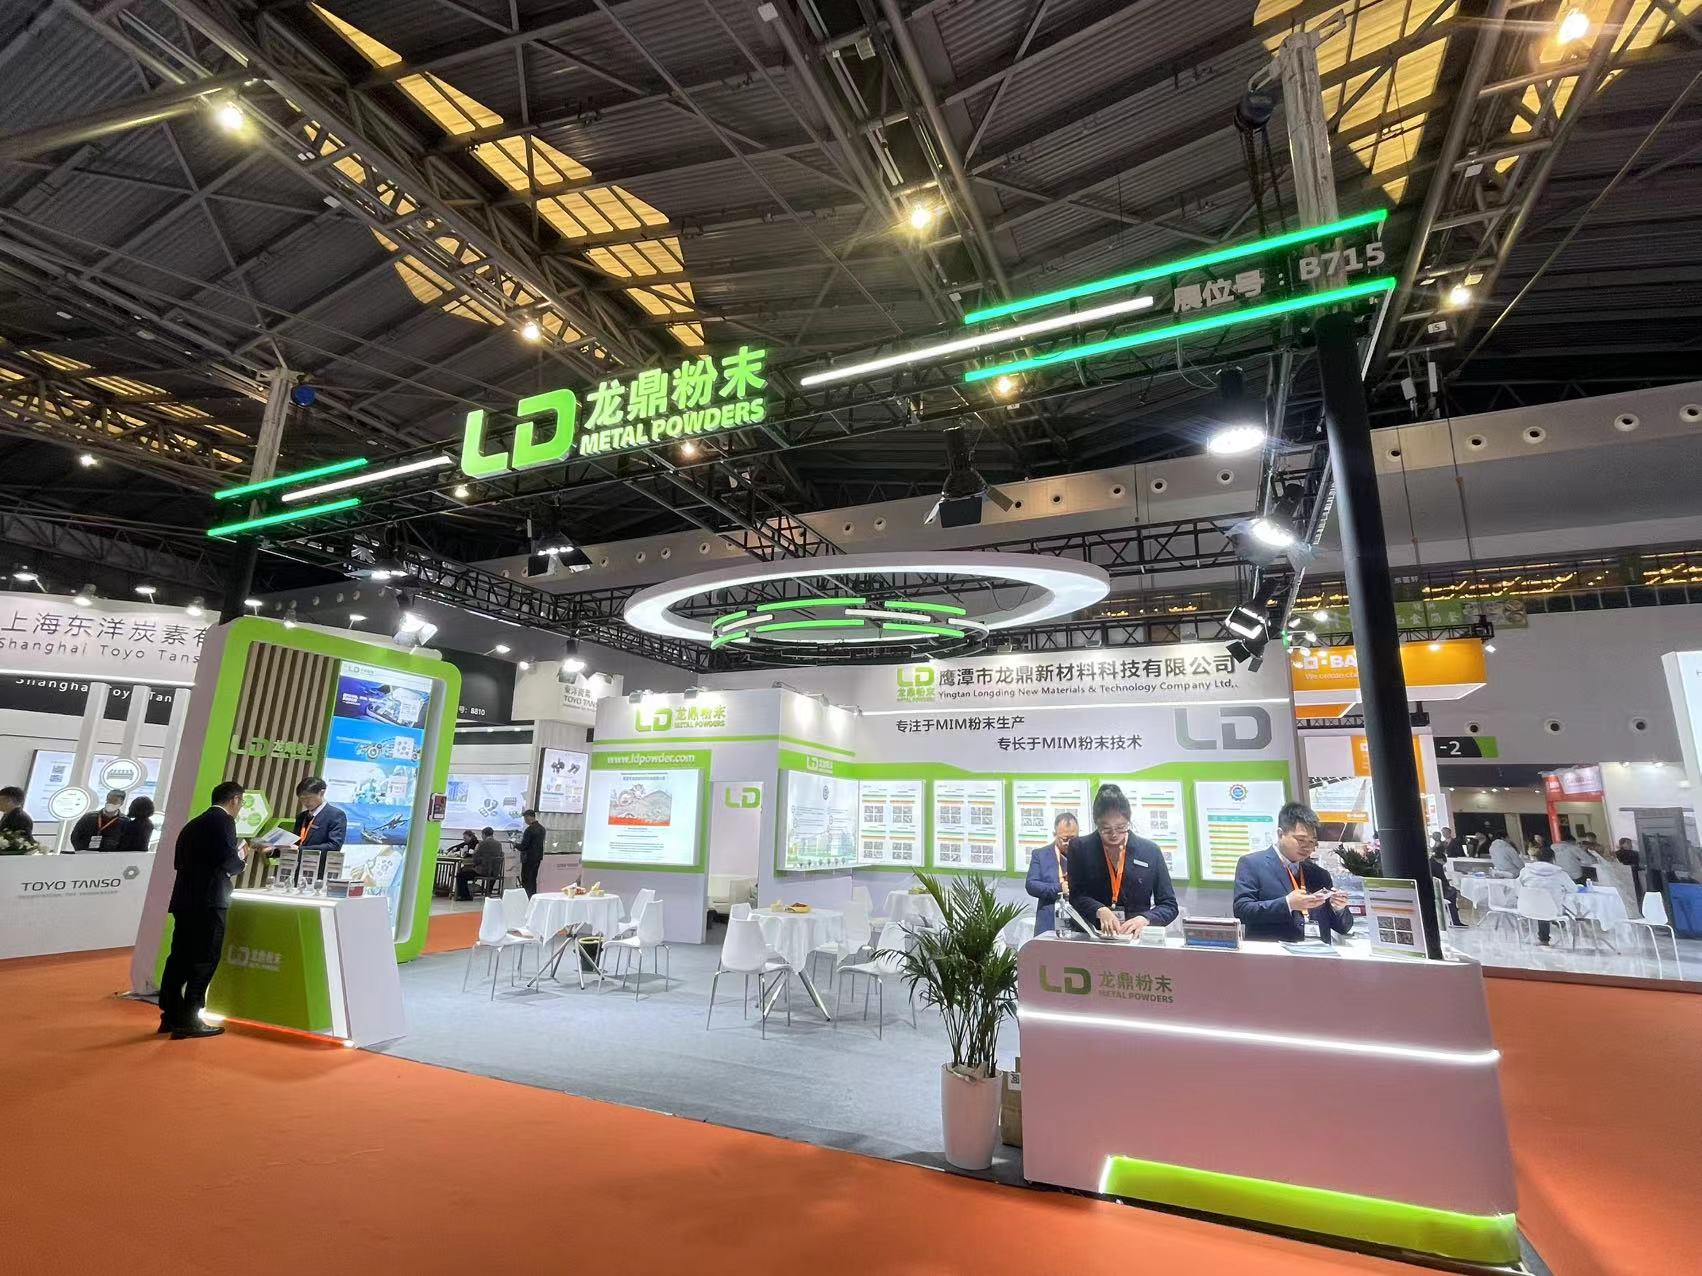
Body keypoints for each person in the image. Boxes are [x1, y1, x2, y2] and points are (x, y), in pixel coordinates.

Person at [158, 781, 248, 1038]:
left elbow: (179, 862)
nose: (240, 807)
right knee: (205, 958)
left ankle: (171, 1014)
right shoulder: (224, 822)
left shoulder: (194, 824)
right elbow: (229, 861)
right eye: (241, 802)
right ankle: (191, 1018)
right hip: (210, 900)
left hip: (185, 899)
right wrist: (242, 860)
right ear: (234, 800)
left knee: (179, 958)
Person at [1233, 801, 1354, 943]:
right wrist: (1287, 904)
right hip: (1274, 953)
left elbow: (1343, 928)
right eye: (1301, 840)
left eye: (1312, 842)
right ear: (1280, 834)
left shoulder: (1320, 874)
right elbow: (1242, 911)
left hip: (1318, 953)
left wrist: (1339, 908)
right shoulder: (1252, 864)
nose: (1307, 847)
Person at [1065, 786, 1176, 938]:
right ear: (1096, 823)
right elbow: (1076, 896)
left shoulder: (1150, 851)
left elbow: (1169, 905)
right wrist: (1099, 910)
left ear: (1128, 820)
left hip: (1134, 939)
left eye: (1121, 827)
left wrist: (1145, 919)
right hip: (1092, 935)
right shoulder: (1080, 848)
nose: (1114, 835)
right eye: (1106, 829)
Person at [1025, 811, 1078, 935]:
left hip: (1078, 921)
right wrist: (1058, 888)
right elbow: (1031, 885)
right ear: (1055, 835)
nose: (1069, 843)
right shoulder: (1040, 855)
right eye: (1064, 839)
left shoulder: (1085, 854)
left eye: (1073, 838)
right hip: (1049, 921)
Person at [292, 777, 347, 880]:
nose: (306, 802)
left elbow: (334, 846)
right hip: (296, 873)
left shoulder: (335, 815)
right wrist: (274, 849)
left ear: (321, 793)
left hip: (320, 874)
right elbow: (295, 843)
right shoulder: (301, 817)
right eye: (302, 799)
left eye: (309, 797)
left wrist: (300, 850)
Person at [1517, 844, 1572, 945]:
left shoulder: (1525, 872)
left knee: (1540, 904)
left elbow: (1517, 888)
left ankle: (1544, 939)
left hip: (1527, 908)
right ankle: (1563, 928)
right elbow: (1573, 889)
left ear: (1536, 858)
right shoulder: (1560, 873)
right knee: (1549, 905)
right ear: (1553, 859)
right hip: (1553, 910)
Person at [456, 826, 504, 900]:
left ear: (484, 834)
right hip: (495, 871)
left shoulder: (482, 844)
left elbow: (476, 858)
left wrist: (475, 857)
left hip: (483, 871)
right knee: (465, 872)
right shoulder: (499, 844)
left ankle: (465, 896)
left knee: (460, 875)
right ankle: (488, 892)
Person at [1429, 845, 1465, 927]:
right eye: (1443, 864)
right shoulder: (1437, 866)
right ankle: (1455, 919)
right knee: (1452, 892)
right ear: (1440, 860)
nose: (1443, 866)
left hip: (1432, 889)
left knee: (1451, 891)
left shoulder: (1430, 863)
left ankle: (1453, 914)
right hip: (1437, 890)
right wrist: (1450, 887)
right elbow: (1442, 880)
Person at [518, 809, 546, 896]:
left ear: (529, 817)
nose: (525, 820)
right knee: (533, 879)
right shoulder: (542, 829)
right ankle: (533, 897)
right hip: (537, 858)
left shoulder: (529, 830)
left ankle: (526, 898)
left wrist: (515, 844)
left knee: (526, 879)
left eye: (525, 818)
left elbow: (523, 846)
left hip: (528, 858)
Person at [1616, 836, 1646, 904]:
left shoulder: (1635, 853)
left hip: (1635, 875)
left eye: (1630, 843)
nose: (1630, 845)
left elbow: (1639, 864)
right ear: (1622, 844)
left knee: (1637, 891)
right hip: (1625, 876)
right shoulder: (1618, 854)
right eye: (1627, 843)